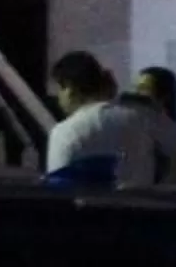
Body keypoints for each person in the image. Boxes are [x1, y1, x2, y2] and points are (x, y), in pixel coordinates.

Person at [44, 50, 157, 188]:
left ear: (69, 88)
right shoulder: (138, 120)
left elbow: (58, 192)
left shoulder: (66, 132)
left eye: (60, 89)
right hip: (143, 207)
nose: (58, 97)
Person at [123, 65, 176, 183]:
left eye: (143, 88)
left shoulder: (163, 129)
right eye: (135, 87)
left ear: (164, 97)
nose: (135, 93)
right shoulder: (134, 125)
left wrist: (170, 178)